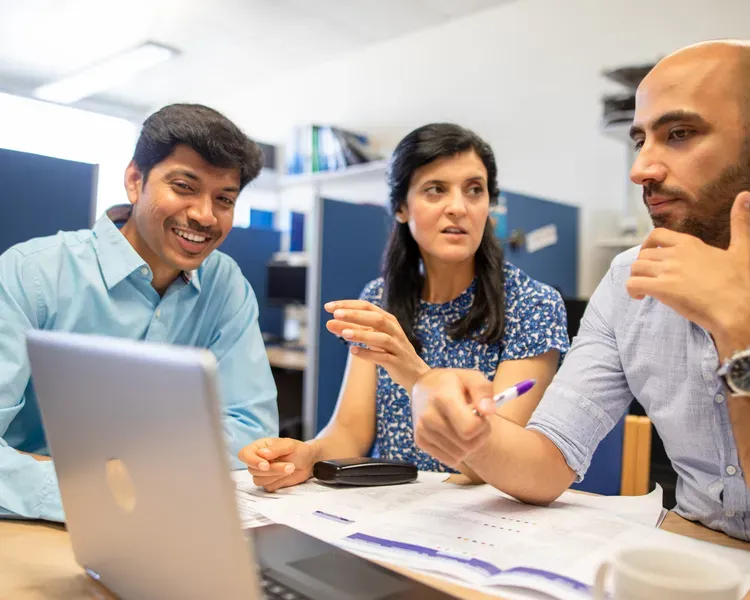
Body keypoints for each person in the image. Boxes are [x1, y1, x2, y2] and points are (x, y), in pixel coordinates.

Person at [409, 40, 750, 541]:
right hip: (695, 542)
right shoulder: (626, 282)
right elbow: (547, 462)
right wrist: (472, 434)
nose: (641, 170)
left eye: (679, 133)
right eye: (640, 141)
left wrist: (737, 333)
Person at [239, 123, 570, 491]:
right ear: (401, 207)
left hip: (481, 516)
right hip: (392, 506)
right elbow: (350, 431)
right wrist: (309, 455)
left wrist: (417, 375)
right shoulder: (380, 298)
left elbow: (489, 461)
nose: (458, 207)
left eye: (474, 190)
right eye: (435, 190)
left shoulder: (532, 303)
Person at [0, 103, 279, 522]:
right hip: (37, 521)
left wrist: (138, 478)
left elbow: (251, 430)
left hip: (165, 518)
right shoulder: (33, 272)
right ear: (135, 180)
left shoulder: (225, 284)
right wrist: (98, 490)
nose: (205, 215)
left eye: (224, 199)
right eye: (184, 186)